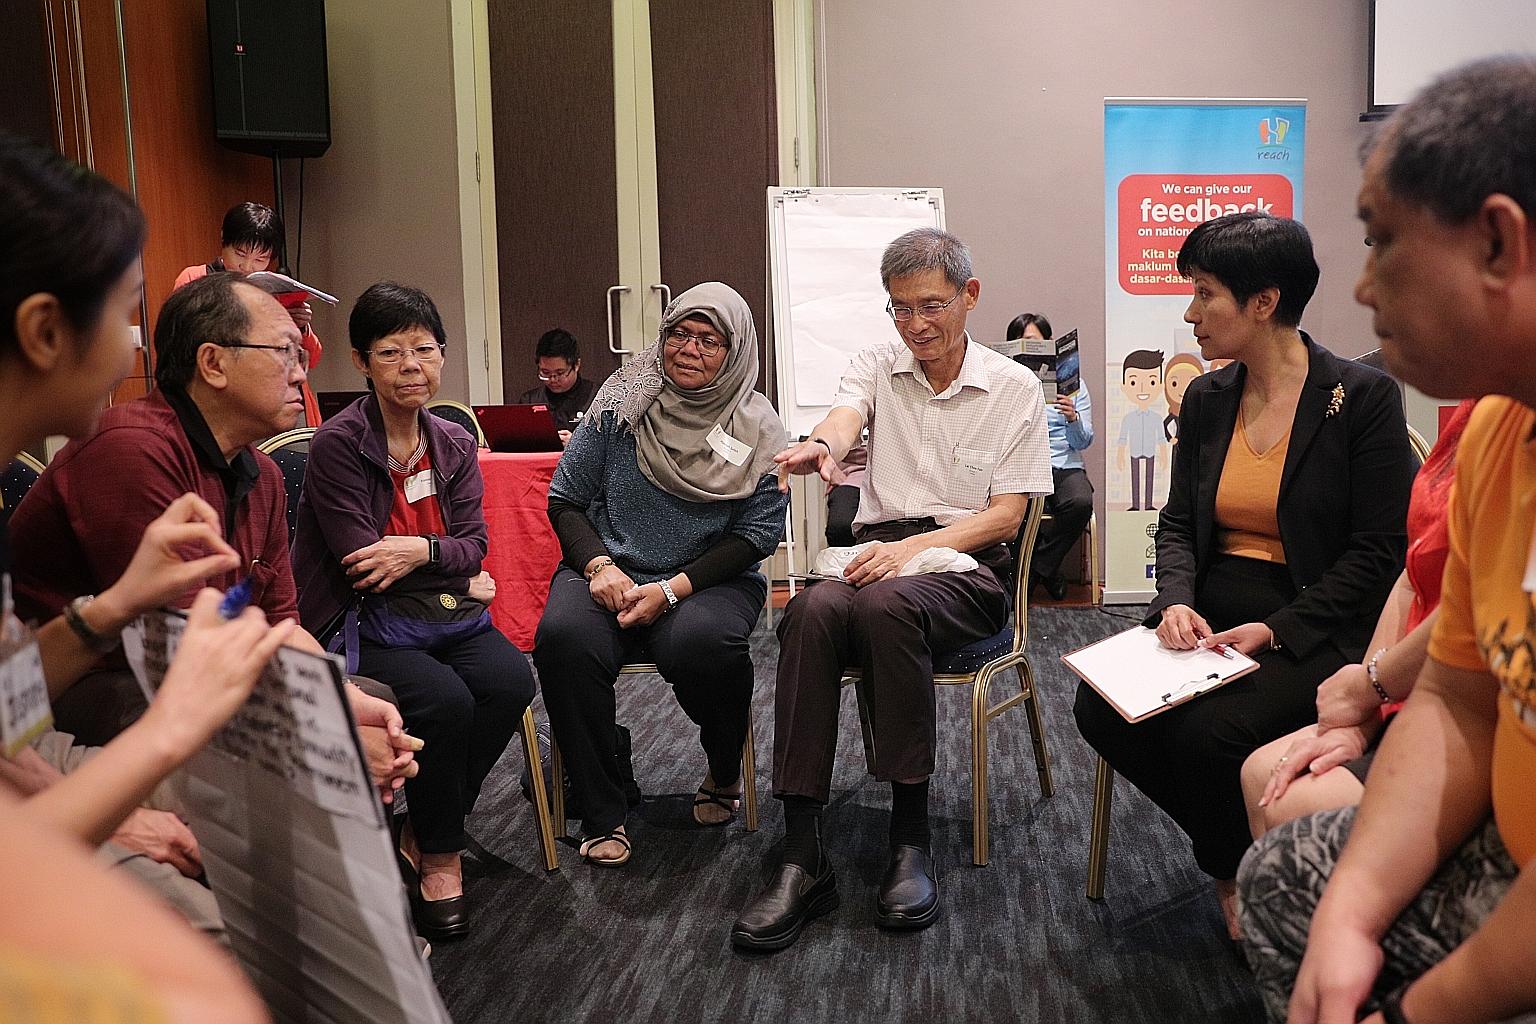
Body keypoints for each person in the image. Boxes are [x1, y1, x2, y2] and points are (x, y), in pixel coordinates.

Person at [1240, 56, 1536, 1024]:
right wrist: (1350, 916)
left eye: (1382, 243)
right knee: (1294, 883)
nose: (1361, 289)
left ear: (1499, 241)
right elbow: (1459, 691)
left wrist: (1420, 1014)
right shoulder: (1497, 426)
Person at [7, 272, 418, 934]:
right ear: (213, 363)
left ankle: (354, 926)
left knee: (370, 699)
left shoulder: (264, 481)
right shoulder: (132, 448)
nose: (303, 369)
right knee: (301, 750)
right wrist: (322, 734)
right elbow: (179, 651)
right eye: (284, 349)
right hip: (79, 686)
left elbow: (280, 624)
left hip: (160, 668)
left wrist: (341, 699)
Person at [0, 129, 291, 1019]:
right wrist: (160, 744)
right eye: (128, 309)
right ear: (47, 329)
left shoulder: (263, 471)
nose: (136, 342)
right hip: (103, 706)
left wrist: (116, 603)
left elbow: (4, 709)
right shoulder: (133, 447)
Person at [1072, 211, 1416, 940]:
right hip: (1209, 607)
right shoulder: (1207, 396)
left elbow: (1377, 553)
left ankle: (1234, 878)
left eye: (1204, 294)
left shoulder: (1360, 398)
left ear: (1264, 302)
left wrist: (1276, 629)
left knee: (1209, 737)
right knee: (1099, 707)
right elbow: (1176, 525)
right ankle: (1237, 858)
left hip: (1314, 615)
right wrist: (1173, 602)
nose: (1190, 314)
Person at [731, 228, 1052, 950]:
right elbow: (845, 418)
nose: (915, 325)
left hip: (967, 565)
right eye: (900, 309)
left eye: (931, 306)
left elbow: (1004, 516)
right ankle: (800, 849)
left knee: (884, 602)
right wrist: (823, 444)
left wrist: (908, 551)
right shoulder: (880, 364)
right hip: (882, 553)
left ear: (969, 296)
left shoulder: (1014, 387)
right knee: (810, 609)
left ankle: (908, 834)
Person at [292, 281, 536, 940]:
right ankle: (444, 857)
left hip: (441, 612)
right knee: (447, 701)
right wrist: (440, 559)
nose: (411, 366)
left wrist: (417, 550)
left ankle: (427, 829)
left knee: (513, 680)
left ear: (442, 357)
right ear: (362, 361)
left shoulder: (451, 443)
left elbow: (473, 546)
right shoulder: (339, 444)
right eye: (392, 352)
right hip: (358, 620)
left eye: (424, 350)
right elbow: (358, 562)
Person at [533, 282, 788, 866]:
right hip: (609, 568)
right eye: (679, 333)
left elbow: (757, 535)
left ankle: (725, 768)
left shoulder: (758, 425)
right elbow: (566, 499)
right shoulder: (621, 403)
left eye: (709, 340)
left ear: (736, 350)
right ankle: (603, 809)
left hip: (708, 580)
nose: (689, 349)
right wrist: (599, 565)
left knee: (700, 644)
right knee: (564, 640)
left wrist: (672, 590)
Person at [1238, 398, 1475, 838]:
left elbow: (1475, 613)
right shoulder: (1478, 411)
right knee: (1259, 775)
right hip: (1413, 679)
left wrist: (1373, 685)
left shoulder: (1363, 398)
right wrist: (1367, 706)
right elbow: (1414, 574)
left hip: (1470, 701)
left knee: (1289, 795)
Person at [174, 201, 324, 426]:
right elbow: (177, 344)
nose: (247, 267)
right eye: (240, 254)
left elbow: (311, 360)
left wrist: (301, 327)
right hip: (220, 396)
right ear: (224, 239)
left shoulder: (275, 286)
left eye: (260, 259)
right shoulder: (195, 278)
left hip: (277, 397)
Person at [1007, 312, 1094, 600]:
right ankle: (1048, 570)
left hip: (1064, 464)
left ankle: (1035, 570)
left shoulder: (1073, 388)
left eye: (1032, 342)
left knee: (1080, 502)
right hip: (1024, 464)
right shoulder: (1004, 387)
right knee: (1011, 511)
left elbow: (1083, 442)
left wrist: (1072, 418)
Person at [517, 327, 598, 446]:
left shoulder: (597, 398)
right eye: (545, 373)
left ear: (576, 365)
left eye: (560, 373)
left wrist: (580, 445)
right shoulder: (530, 401)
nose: (553, 380)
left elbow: (614, 447)